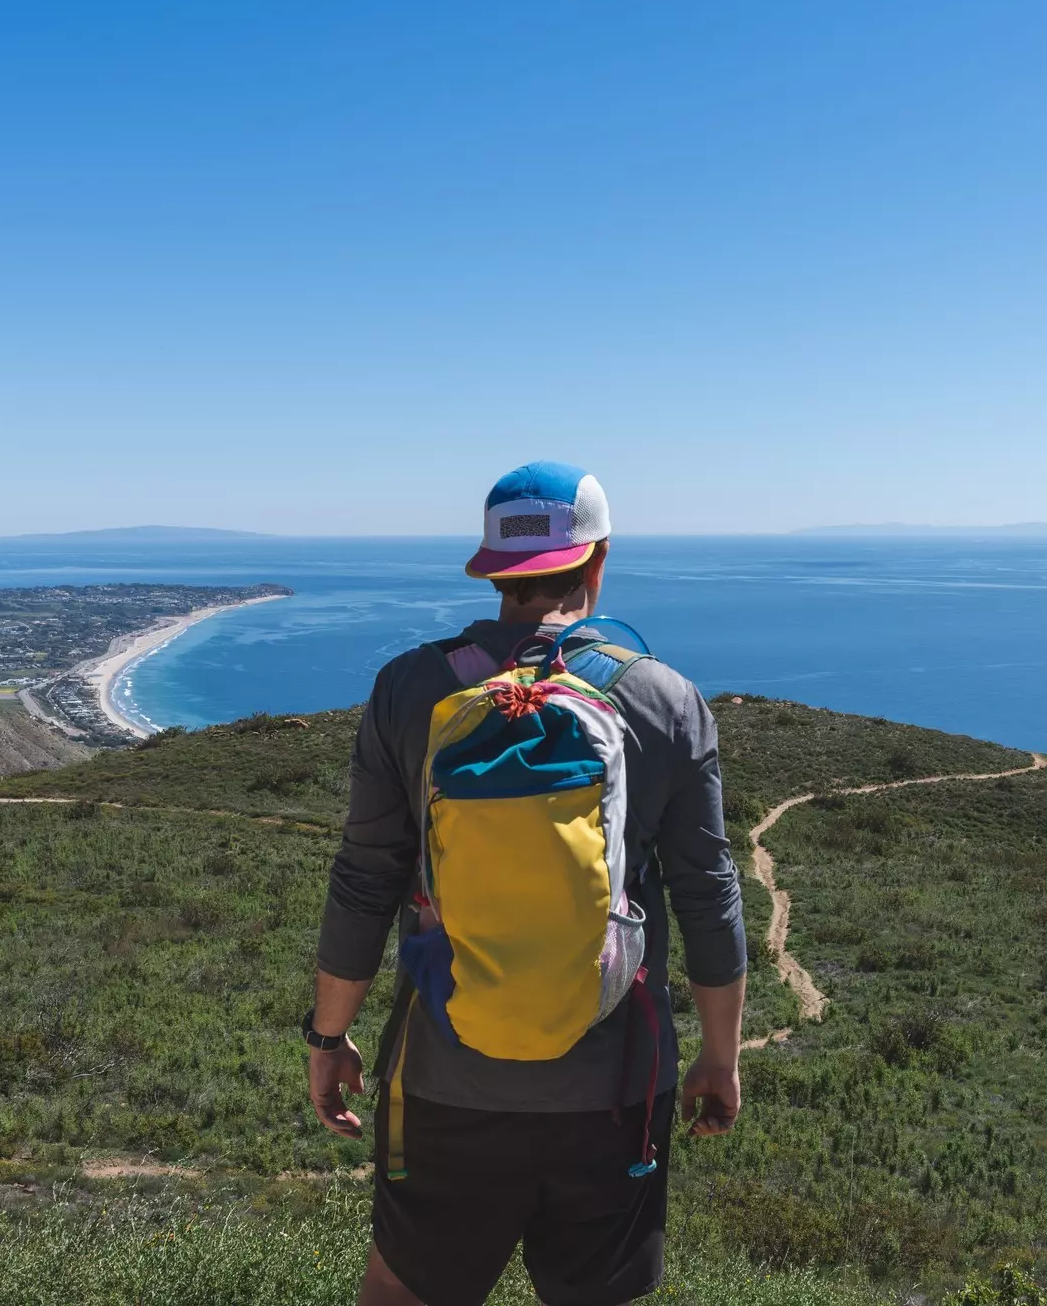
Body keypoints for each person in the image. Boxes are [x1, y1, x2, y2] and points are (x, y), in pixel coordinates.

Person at [305, 461, 749, 1306]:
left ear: (491, 570)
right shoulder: (664, 700)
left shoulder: (410, 690)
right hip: (617, 1085)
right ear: (599, 560)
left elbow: (365, 881)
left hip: (443, 1077)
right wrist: (720, 1058)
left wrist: (329, 1040)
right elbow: (708, 895)